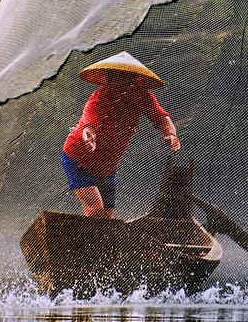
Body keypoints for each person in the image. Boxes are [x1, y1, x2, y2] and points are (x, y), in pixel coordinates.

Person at [62, 51, 180, 219]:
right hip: (79, 158)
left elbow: (162, 118)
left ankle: (96, 245)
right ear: (109, 79)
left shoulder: (143, 97)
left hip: (107, 167)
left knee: (107, 216)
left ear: (135, 80)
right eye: (116, 79)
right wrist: (89, 138)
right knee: (95, 209)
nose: (121, 85)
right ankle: (82, 245)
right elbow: (89, 126)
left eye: (126, 80)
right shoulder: (98, 99)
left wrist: (171, 134)